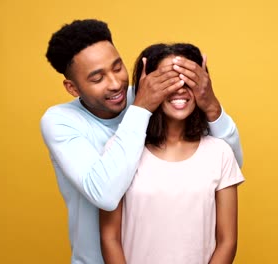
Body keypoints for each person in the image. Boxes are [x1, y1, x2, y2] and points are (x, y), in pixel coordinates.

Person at [40, 19, 243, 264]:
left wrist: (210, 105)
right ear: (72, 88)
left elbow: (228, 164)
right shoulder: (61, 121)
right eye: (97, 79)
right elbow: (105, 194)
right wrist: (142, 107)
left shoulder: (150, 94)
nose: (115, 84)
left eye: (117, 68)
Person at [99, 43, 245, 264]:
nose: (179, 88)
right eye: (168, 79)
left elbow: (227, 241)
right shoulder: (119, 149)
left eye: (188, 79)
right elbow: (110, 238)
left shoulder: (220, 152)